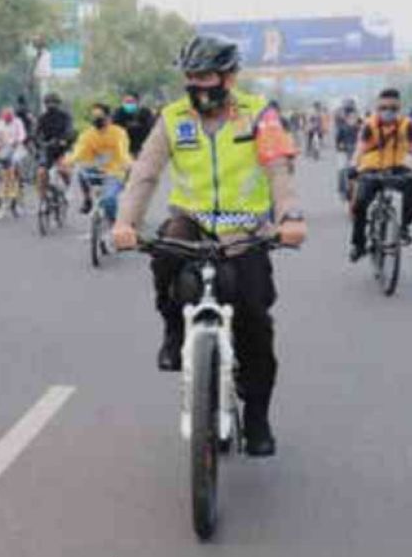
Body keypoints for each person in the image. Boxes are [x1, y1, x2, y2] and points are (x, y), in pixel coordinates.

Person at [112, 35, 306, 457]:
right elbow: (145, 172)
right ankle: (173, 328)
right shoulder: (172, 117)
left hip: (245, 230)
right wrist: (124, 222)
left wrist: (289, 217)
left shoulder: (260, 115)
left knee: (255, 322)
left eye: (207, 77)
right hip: (193, 222)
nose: (199, 86)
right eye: (191, 78)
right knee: (165, 247)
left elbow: (278, 171)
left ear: (230, 76)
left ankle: (256, 417)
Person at [347, 88, 412, 261]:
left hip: (397, 166)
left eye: (392, 108)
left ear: (398, 108)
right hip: (371, 169)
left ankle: (405, 226)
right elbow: (359, 149)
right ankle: (359, 244)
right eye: (383, 107)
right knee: (360, 204)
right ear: (378, 107)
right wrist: (354, 166)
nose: (388, 112)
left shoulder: (407, 125)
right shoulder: (369, 125)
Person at [62, 103, 131, 219]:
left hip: (115, 173)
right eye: (94, 117)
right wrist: (68, 162)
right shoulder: (87, 135)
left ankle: (115, 225)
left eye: (100, 117)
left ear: (109, 118)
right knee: (81, 172)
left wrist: (127, 164)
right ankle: (87, 199)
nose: (97, 120)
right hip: (95, 172)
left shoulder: (119, 133)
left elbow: (123, 151)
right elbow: (79, 151)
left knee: (109, 200)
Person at [34, 93, 75, 193]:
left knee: (63, 170)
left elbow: (69, 130)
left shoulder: (65, 117)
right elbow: (36, 133)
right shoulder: (42, 118)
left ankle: (71, 190)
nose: (51, 105)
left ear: (58, 104)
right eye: (48, 103)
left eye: (54, 103)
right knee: (41, 173)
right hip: (48, 150)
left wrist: (64, 140)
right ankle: (43, 199)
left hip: (62, 149)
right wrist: (39, 143)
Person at [0, 106, 28, 191]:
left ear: (12, 116)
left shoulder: (18, 122)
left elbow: (22, 134)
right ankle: (1, 182)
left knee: (15, 160)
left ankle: (20, 178)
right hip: (4, 148)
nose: (7, 120)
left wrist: (18, 141)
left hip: (17, 147)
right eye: (5, 117)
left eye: (9, 117)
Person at [111, 93, 156, 157]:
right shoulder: (119, 113)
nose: (128, 104)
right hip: (125, 148)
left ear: (137, 102)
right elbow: (115, 128)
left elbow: (151, 128)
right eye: (126, 102)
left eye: (131, 102)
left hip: (143, 147)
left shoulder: (145, 112)